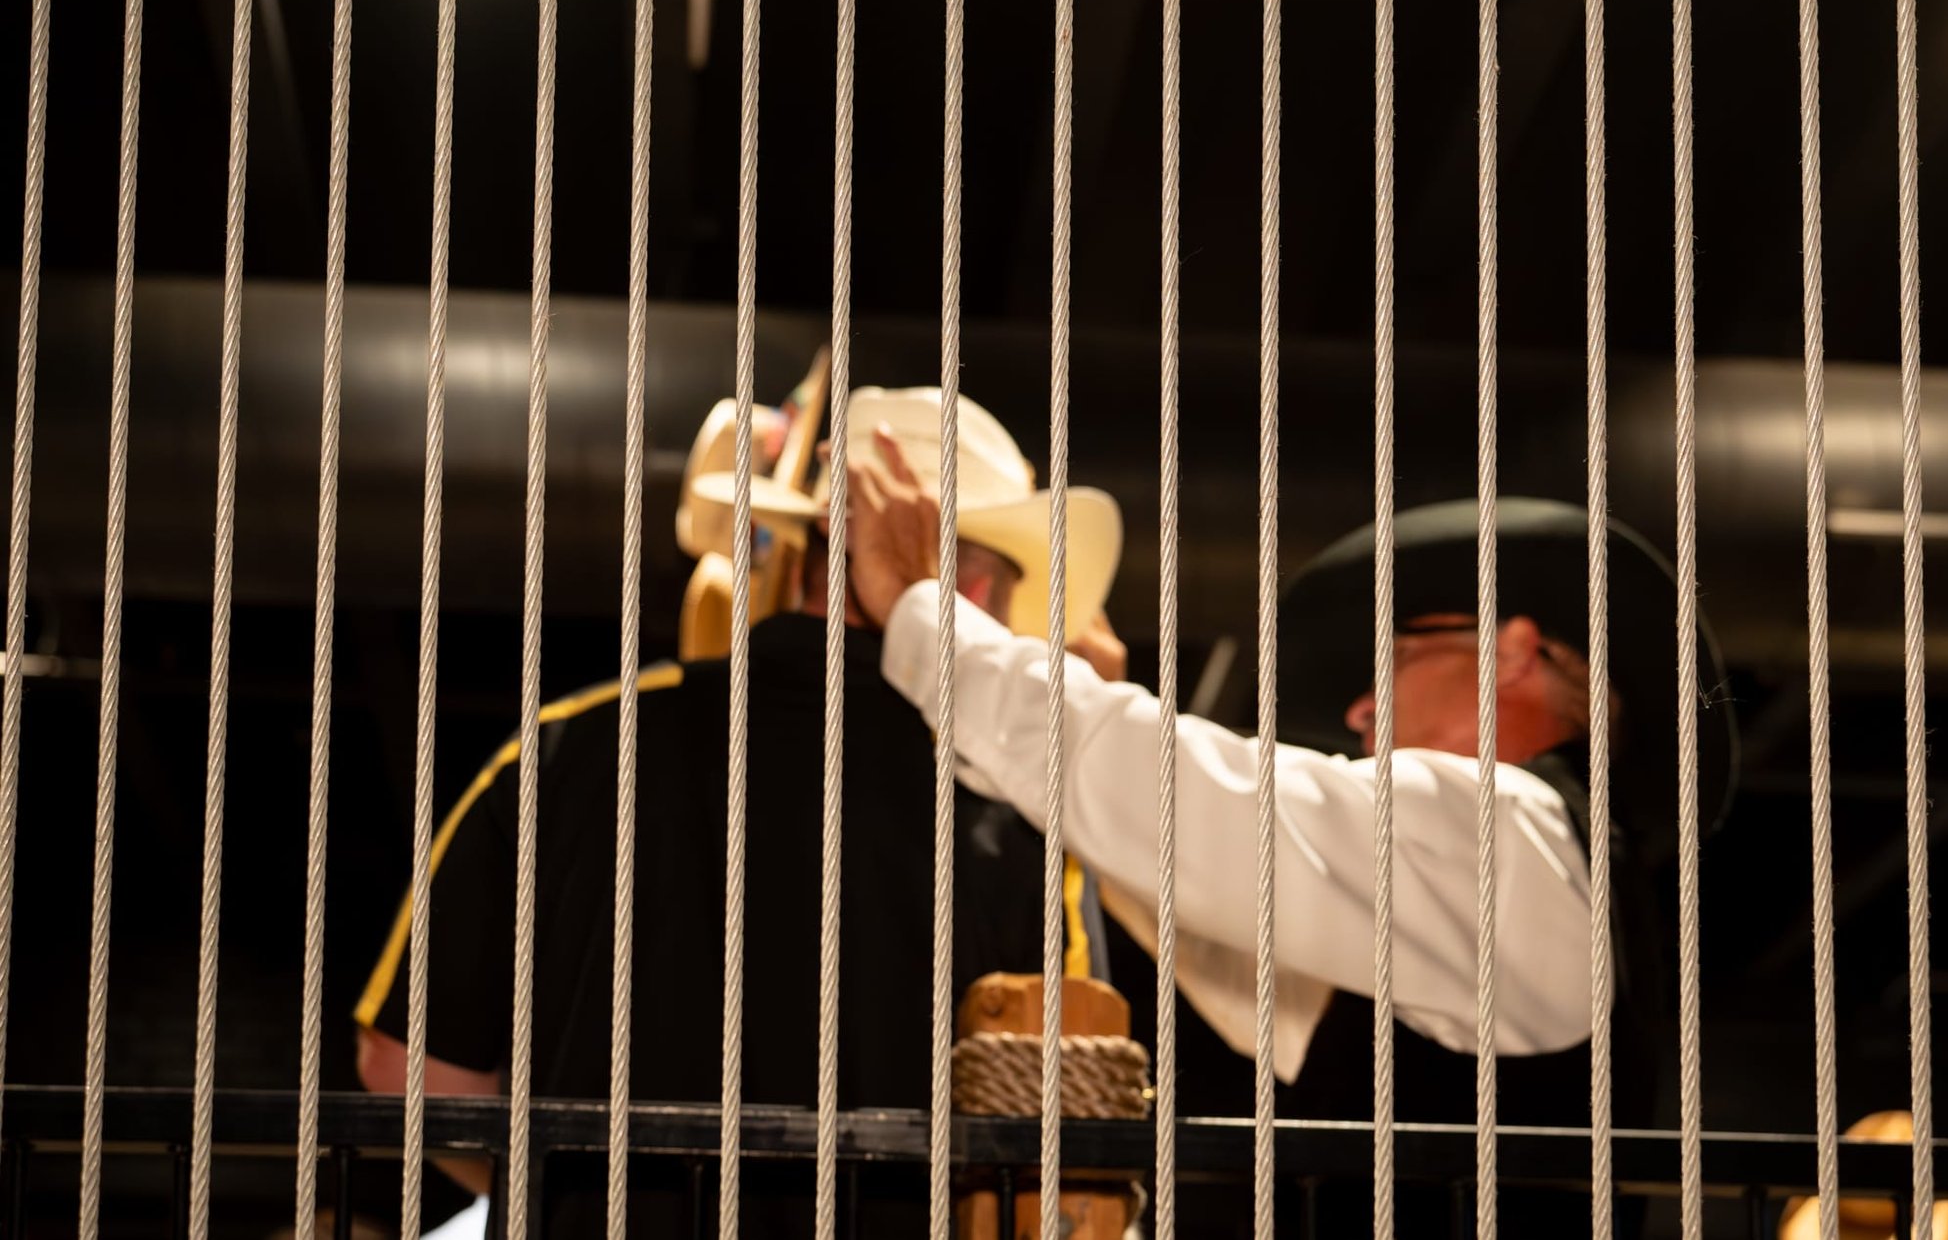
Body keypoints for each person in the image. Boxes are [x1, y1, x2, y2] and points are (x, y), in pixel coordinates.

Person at [845, 428, 1738, 1232]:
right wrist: (1058, 707)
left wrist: (933, 620)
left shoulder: (1507, 834)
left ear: (1509, 650)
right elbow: (1211, 909)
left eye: (1395, 660)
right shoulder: (1547, 878)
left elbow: (1203, 812)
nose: (1359, 707)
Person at [351, 386, 1124, 1236]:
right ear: (973, 590)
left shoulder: (565, 747)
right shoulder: (1023, 816)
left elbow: (403, 1062)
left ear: (802, 552)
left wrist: (550, 1188)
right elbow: (1073, 1131)